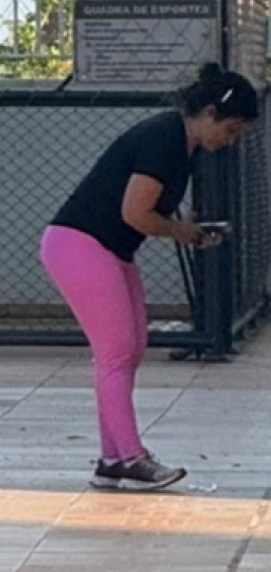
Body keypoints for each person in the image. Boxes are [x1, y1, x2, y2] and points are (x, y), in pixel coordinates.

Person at [41, 63, 259, 489]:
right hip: (80, 244)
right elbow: (135, 213)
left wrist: (187, 229)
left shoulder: (181, 145)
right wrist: (181, 232)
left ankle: (112, 458)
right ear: (209, 113)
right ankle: (131, 457)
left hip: (110, 249)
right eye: (230, 130)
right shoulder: (164, 138)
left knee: (129, 348)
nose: (229, 141)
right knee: (116, 351)